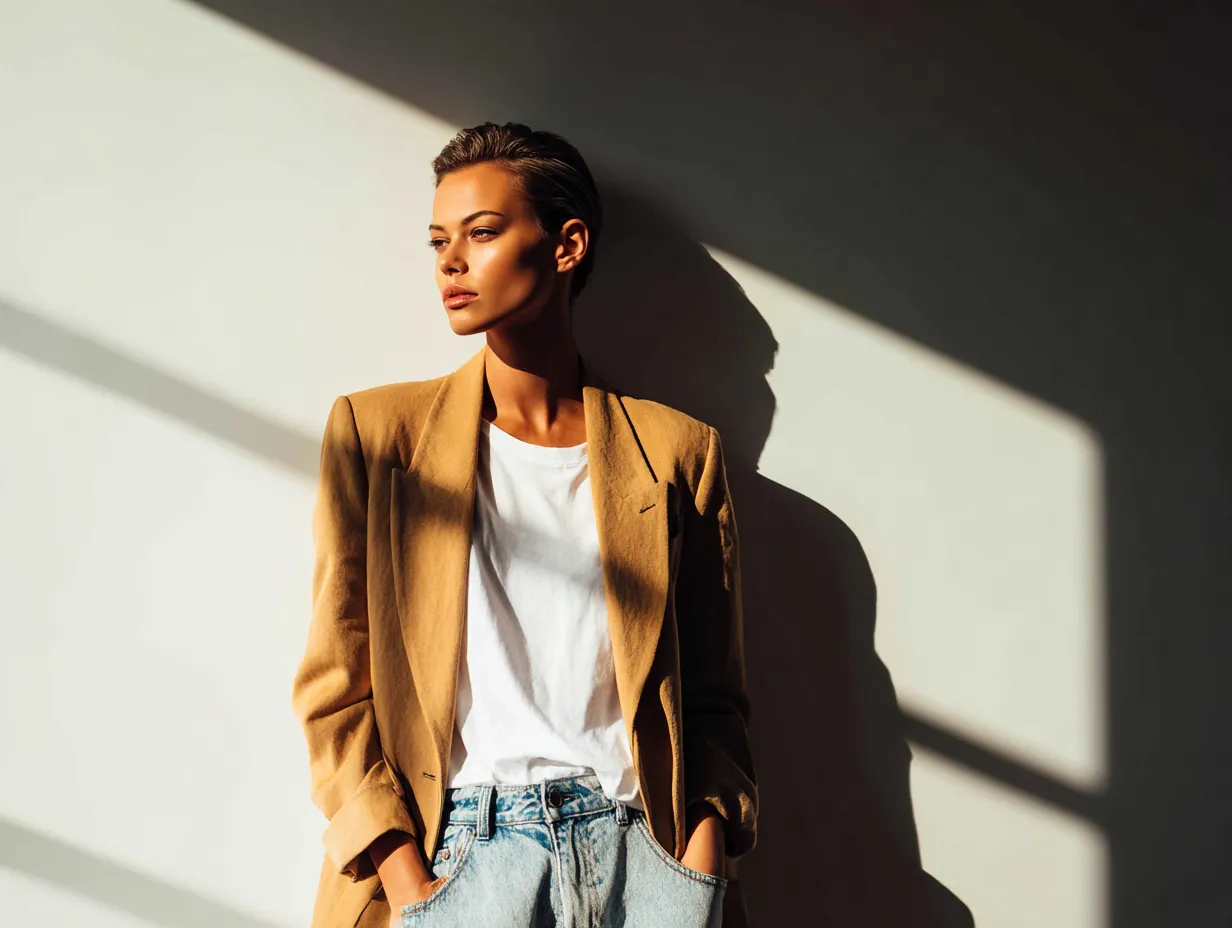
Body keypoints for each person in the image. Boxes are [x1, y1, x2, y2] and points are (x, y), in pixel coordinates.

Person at [292, 122, 757, 928]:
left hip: (641, 858)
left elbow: (716, 696)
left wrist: (696, 875)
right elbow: (335, 689)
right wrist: (410, 885)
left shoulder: (679, 452)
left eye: (482, 232)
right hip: (461, 856)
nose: (450, 261)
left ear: (567, 245)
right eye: (439, 239)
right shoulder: (377, 437)